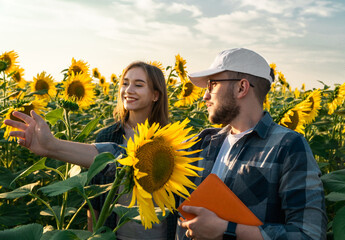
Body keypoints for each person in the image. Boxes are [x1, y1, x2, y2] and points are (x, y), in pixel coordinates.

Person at [4, 61, 177, 239]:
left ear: (156, 95)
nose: (128, 90)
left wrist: (52, 145)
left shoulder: (172, 142)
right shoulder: (107, 137)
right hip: (116, 235)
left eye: (138, 85)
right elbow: (94, 199)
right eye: (125, 83)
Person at [176, 48, 327, 240]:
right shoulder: (201, 143)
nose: (205, 95)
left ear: (241, 87)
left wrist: (226, 230)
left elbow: (309, 234)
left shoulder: (287, 147)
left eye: (212, 85)